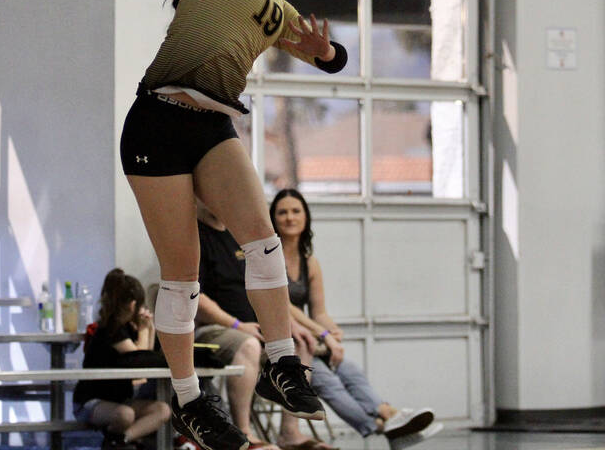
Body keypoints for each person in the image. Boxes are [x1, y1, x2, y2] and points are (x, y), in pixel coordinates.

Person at [97, 0, 349, 450]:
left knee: (262, 236)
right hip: (156, 120)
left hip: (212, 123)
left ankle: (285, 362)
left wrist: (326, 51)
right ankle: (187, 401)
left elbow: (326, 55)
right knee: (181, 275)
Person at [269, 189, 441, 449]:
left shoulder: (309, 262)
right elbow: (284, 306)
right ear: (273, 219)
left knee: (350, 371)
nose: (290, 217)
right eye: (282, 212)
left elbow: (319, 312)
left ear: (306, 218)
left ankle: (388, 416)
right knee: (327, 381)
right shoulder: (269, 258)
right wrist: (323, 335)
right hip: (285, 338)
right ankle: (387, 425)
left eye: (296, 211)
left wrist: (332, 331)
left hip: (308, 337)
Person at [194, 203, 321, 450]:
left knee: (300, 344)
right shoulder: (197, 236)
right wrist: (237, 325)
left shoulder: (236, 236)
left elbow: (263, 287)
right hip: (213, 330)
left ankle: (290, 432)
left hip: (253, 327)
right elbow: (195, 295)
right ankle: (244, 435)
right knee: (250, 346)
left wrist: (289, 324)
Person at [73, 268, 172, 450]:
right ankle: (118, 441)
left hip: (120, 399)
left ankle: (119, 441)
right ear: (133, 305)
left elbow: (146, 359)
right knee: (125, 415)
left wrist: (148, 329)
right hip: (91, 402)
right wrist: (143, 330)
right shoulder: (110, 330)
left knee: (162, 410)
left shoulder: (128, 328)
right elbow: (138, 360)